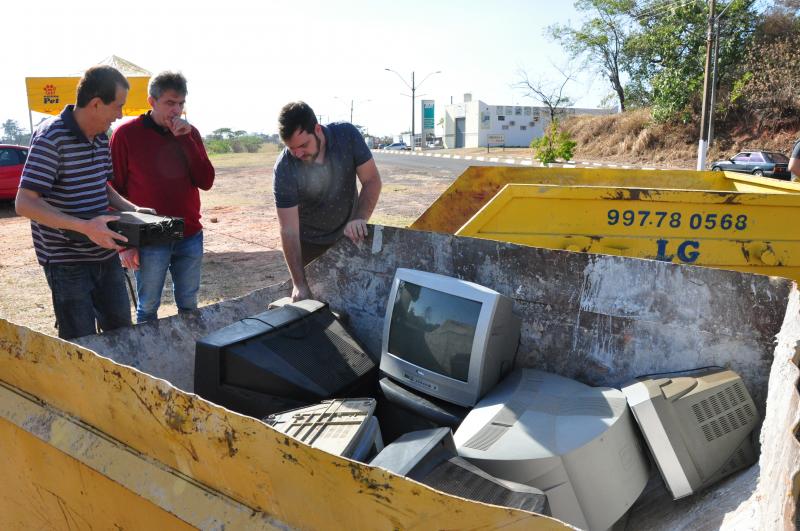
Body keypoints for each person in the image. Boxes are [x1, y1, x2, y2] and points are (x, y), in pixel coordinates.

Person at [15, 65, 153, 340]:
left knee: (121, 333)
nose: (121, 114)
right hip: (66, 262)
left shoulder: (101, 137)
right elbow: (25, 203)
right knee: (82, 343)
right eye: (118, 106)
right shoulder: (51, 137)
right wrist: (85, 227)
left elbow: (102, 185)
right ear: (95, 103)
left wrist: (132, 209)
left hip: (104, 255)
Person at [110, 71, 215, 323]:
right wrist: (125, 243)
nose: (176, 110)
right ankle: (146, 361)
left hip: (189, 230)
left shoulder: (190, 133)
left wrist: (186, 140)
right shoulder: (125, 134)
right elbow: (113, 189)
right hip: (148, 233)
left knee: (189, 305)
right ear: (152, 102)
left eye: (180, 103)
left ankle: (190, 353)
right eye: (170, 103)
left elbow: (206, 181)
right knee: (148, 307)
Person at [273, 101, 382, 302]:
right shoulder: (285, 167)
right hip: (309, 247)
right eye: (291, 148)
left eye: (303, 145)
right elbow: (288, 230)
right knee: (318, 307)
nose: (298, 153)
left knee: (356, 301)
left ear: (317, 129)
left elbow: (372, 180)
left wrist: (360, 218)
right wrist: (299, 284)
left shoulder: (346, 136)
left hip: (350, 238)